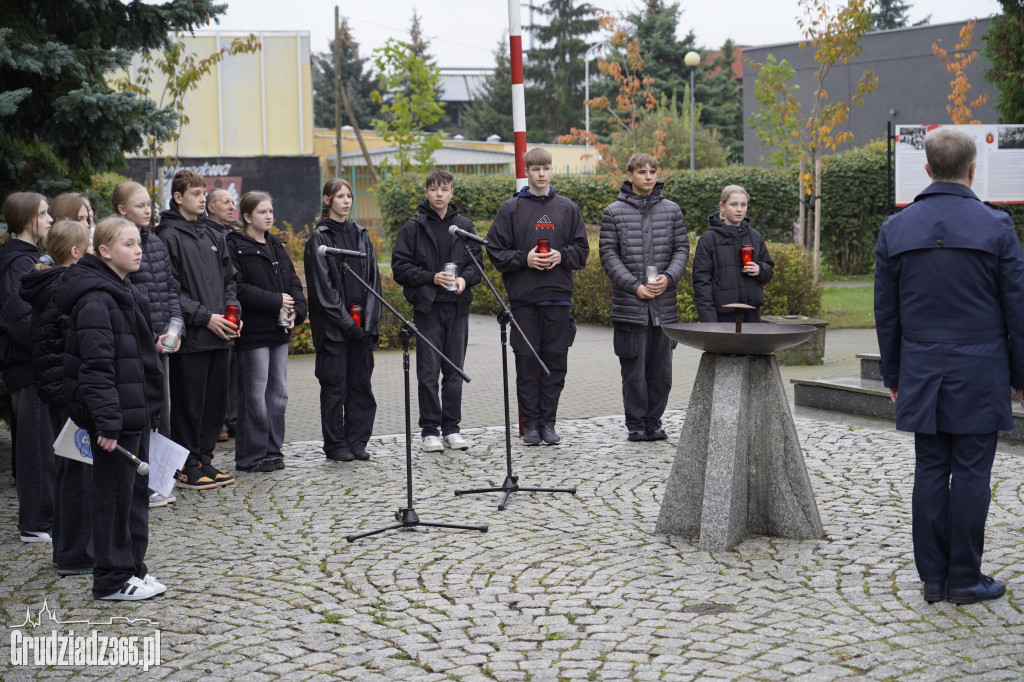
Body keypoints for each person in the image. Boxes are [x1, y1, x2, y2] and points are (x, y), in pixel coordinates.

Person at [874, 126, 1024, 605]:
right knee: (973, 474)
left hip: (921, 366)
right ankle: (963, 578)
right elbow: (1017, 309)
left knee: (930, 470)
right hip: (980, 370)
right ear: (972, 170)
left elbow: (886, 314)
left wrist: (893, 375)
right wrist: (1021, 377)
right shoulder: (996, 226)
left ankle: (933, 580)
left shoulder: (895, 228)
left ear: (927, 169)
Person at [57, 216, 165, 600]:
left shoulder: (122, 290)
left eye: (139, 243)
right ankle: (111, 579)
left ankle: (133, 568)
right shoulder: (95, 299)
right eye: (128, 244)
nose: (138, 250)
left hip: (133, 411)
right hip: (114, 417)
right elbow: (96, 368)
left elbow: (137, 360)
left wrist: (151, 411)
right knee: (113, 498)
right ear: (104, 251)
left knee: (133, 498)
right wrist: (106, 423)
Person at [486, 147, 589, 446]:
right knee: (527, 364)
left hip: (558, 298)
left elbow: (582, 251)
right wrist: (524, 259)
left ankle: (549, 423)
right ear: (527, 172)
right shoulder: (511, 209)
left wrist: (562, 255)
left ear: (551, 170)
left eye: (546, 168)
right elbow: (495, 251)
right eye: (535, 169)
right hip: (525, 301)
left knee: (556, 364)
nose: (541, 174)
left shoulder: (567, 208)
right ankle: (531, 424)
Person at [156, 170, 239, 489]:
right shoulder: (168, 235)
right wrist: (206, 317)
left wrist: (234, 313)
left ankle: (205, 459)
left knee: (215, 404)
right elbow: (170, 289)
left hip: (222, 336)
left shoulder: (214, 235)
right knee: (190, 405)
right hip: (193, 338)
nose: (202, 198)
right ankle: (186, 464)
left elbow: (230, 280)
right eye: (195, 194)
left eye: (204, 193)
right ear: (178, 198)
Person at [599, 153, 689, 442]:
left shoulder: (673, 210)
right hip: (631, 306)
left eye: (652, 171)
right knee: (634, 372)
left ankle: (654, 421)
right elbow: (609, 256)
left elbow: (682, 250)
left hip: (664, 307)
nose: (648, 177)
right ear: (629, 176)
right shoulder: (612, 212)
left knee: (661, 373)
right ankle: (636, 424)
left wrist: (670, 277)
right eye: (642, 172)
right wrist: (634, 286)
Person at [392, 168, 483, 452]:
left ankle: (452, 429)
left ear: (452, 192)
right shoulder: (413, 227)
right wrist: (431, 277)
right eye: (433, 189)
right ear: (426, 193)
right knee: (428, 372)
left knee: (454, 371)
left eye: (444, 189)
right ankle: (429, 430)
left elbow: (476, 266)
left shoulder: (464, 225)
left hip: (457, 308)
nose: (439, 194)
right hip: (428, 309)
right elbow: (400, 268)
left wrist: (463, 280)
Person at [21, 219, 93, 575]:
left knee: (69, 471)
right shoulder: (65, 286)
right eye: (90, 245)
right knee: (77, 473)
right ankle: (73, 554)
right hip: (70, 393)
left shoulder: (47, 282)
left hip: (55, 390)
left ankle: (70, 549)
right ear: (76, 252)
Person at [113, 181, 182, 507]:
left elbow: (170, 289)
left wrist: (175, 328)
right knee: (143, 413)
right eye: (139, 205)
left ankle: (160, 479)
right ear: (121, 210)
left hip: (163, 341)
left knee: (161, 412)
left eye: (148, 204)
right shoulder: (119, 245)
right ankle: (143, 482)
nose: (147, 209)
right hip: (139, 344)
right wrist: (148, 338)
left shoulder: (154, 243)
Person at [226, 191, 306, 472]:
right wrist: (275, 301)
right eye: (262, 212)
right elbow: (238, 288)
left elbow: (293, 280)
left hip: (279, 330)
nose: (269, 216)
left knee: (278, 394)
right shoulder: (235, 246)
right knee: (255, 396)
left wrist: (297, 307)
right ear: (247, 217)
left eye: (270, 210)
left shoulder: (276, 245)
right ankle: (252, 455)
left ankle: (273, 451)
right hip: (254, 334)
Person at [304, 178, 382, 462]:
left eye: (349, 196)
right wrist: (348, 324)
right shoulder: (319, 238)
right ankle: (336, 444)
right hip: (335, 332)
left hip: (362, 329)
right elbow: (323, 291)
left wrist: (368, 324)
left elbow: (374, 282)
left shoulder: (362, 234)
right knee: (335, 388)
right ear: (327, 201)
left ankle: (357, 441)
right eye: (340, 196)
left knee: (361, 386)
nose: (346, 201)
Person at [0, 192, 55, 543]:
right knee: (35, 444)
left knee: (43, 441)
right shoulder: (15, 262)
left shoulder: (32, 257)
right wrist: (50, 347)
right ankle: (35, 523)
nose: (50, 219)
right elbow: (18, 317)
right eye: (44, 213)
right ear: (26, 219)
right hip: (28, 365)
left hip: (39, 362)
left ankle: (44, 516)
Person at [692, 185, 774, 323]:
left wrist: (760, 269)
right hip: (722, 317)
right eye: (733, 204)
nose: (739, 209)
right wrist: (710, 323)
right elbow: (701, 285)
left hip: (751, 315)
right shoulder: (708, 239)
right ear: (722, 206)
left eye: (743, 204)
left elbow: (768, 273)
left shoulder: (755, 236)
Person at [205, 187, 239, 441]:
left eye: (232, 202)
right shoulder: (208, 234)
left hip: (234, 308)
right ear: (211, 207)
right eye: (225, 202)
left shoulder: (233, 234)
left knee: (235, 372)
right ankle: (220, 424)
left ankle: (235, 420)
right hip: (214, 314)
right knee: (221, 373)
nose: (231, 206)